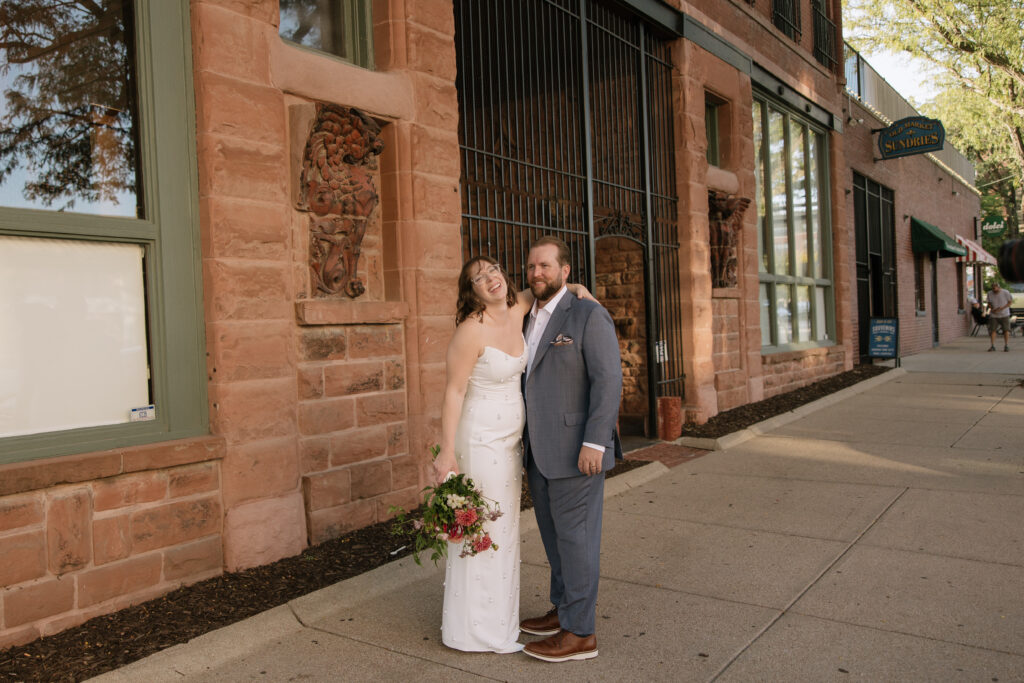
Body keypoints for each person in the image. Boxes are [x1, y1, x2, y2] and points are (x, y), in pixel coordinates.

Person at [432, 255, 592, 654]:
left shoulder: (519, 306)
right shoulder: (471, 330)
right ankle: (476, 630)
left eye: (493, 270)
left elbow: (549, 289)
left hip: (510, 443)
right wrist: (446, 451)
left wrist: (576, 288)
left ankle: (498, 620)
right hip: (480, 439)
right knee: (484, 526)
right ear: (471, 293)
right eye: (478, 278)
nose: (490, 279)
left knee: (504, 528)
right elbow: (453, 392)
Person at [518, 236, 622, 663]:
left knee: (577, 542)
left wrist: (595, 441)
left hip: (579, 451)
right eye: (531, 266)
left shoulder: (588, 314)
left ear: (564, 271)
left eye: (545, 265)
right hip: (538, 452)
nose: (536, 273)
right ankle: (563, 610)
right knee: (555, 539)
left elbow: (608, 380)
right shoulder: (526, 316)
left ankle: (580, 633)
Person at [985, 282, 1013, 352]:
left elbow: (1010, 302)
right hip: (994, 315)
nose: (994, 290)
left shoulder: (1005, 292)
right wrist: (992, 308)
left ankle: (1006, 345)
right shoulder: (990, 293)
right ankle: (992, 346)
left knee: (1006, 330)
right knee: (993, 330)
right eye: (993, 289)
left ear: (999, 287)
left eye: (995, 288)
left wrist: (1002, 308)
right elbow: (989, 303)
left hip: (1004, 314)